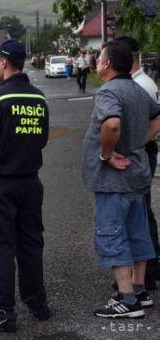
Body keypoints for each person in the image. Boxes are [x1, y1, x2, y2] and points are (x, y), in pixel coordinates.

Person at [0, 39, 50, 332]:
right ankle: (37, 303)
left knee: (0, 247)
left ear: (4, 62)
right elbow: (41, 139)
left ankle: (2, 311)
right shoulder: (39, 98)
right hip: (30, 182)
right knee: (31, 243)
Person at [82, 40, 160, 319]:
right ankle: (139, 290)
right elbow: (157, 117)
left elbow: (112, 124)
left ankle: (127, 301)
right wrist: (140, 141)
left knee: (112, 233)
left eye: (99, 58)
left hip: (114, 179)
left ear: (107, 64)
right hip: (137, 175)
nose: (96, 62)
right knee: (137, 232)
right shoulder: (137, 90)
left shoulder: (109, 91)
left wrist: (107, 154)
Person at [114, 36, 160, 291]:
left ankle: (147, 272)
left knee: (139, 213)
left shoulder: (138, 85)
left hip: (140, 153)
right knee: (142, 211)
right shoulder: (143, 82)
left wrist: (135, 142)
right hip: (144, 150)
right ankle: (148, 268)